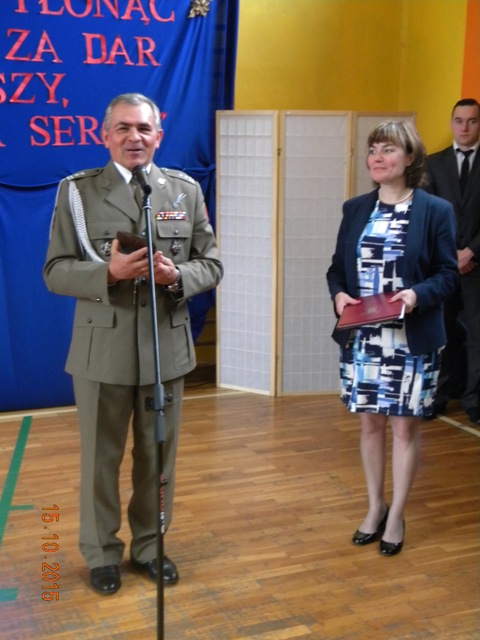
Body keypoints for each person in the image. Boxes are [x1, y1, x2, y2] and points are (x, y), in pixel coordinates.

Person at [43, 93, 223, 594]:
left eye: (143, 128)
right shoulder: (78, 192)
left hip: (165, 349)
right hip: (102, 350)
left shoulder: (183, 191)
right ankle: (101, 552)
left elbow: (211, 263)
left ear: (158, 136)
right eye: (122, 128)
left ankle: (150, 546)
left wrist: (175, 275)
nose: (133, 137)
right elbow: (55, 271)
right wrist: (109, 272)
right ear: (105, 136)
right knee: (100, 461)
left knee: (158, 459)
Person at [326, 121, 458, 556]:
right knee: (370, 424)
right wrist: (339, 295)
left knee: (403, 428)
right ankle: (374, 506)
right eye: (373, 150)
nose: (377, 158)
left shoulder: (435, 210)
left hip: (410, 339)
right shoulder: (355, 208)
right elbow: (337, 270)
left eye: (388, 149)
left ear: (410, 157)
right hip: (364, 338)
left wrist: (416, 295)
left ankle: (397, 514)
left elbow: (447, 274)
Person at [425, 98, 480, 424]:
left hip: (477, 266)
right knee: (441, 332)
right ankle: (440, 395)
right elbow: (429, 217)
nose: (464, 127)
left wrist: (471, 251)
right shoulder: (434, 164)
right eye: (459, 120)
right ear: (451, 123)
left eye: (472, 121)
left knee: (477, 335)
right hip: (443, 267)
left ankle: (475, 401)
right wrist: (451, 256)